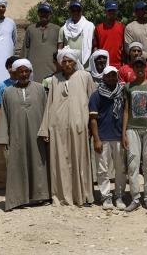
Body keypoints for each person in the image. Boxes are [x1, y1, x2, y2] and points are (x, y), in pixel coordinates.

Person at [37, 48, 96, 205]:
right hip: (58, 127)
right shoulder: (55, 80)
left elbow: (93, 102)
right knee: (60, 162)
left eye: (70, 61)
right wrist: (45, 128)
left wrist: (93, 126)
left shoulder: (85, 76)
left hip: (79, 126)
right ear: (60, 64)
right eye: (64, 61)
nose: (67, 64)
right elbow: (49, 104)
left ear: (75, 62)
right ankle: (62, 196)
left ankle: (82, 196)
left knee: (80, 160)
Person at [0, 59, 49, 211]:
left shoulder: (39, 89)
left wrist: (46, 131)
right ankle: (18, 198)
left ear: (30, 72)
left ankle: (40, 196)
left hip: (37, 136)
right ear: (15, 74)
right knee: (17, 165)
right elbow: (3, 115)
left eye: (26, 71)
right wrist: (2, 138)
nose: (24, 74)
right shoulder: (7, 92)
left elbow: (47, 112)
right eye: (21, 71)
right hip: (17, 136)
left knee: (38, 164)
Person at [89, 65, 127, 209]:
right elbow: (93, 119)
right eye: (108, 75)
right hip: (103, 137)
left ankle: (119, 196)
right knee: (102, 169)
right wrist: (96, 139)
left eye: (113, 75)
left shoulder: (122, 93)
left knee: (120, 169)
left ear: (117, 76)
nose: (111, 78)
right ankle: (106, 197)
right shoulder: (96, 95)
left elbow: (125, 113)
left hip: (118, 136)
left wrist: (124, 135)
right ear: (103, 77)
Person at [121, 56, 147, 211]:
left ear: (146, 68)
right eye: (137, 66)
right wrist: (124, 132)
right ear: (133, 69)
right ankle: (135, 198)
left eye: (142, 66)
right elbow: (126, 110)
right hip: (132, 128)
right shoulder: (128, 87)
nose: (140, 69)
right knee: (133, 164)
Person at [21, 3, 59, 82]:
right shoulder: (31, 29)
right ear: (38, 13)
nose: (44, 14)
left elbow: (61, 51)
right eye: (41, 12)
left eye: (46, 12)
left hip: (52, 73)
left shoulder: (57, 29)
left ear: (50, 14)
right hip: (33, 73)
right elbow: (25, 50)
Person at [58, 0, 95, 68]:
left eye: (78, 10)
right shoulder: (63, 29)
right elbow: (60, 50)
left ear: (81, 11)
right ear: (70, 12)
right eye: (73, 10)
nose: (75, 12)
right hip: (69, 67)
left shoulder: (89, 26)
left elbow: (94, 46)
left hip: (86, 66)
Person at [93, 0, 124, 69]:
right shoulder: (98, 28)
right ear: (105, 12)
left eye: (114, 11)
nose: (112, 13)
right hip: (103, 64)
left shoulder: (122, 27)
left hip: (118, 65)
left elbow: (124, 47)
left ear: (116, 12)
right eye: (109, 11)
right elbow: (95, 47)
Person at [0, 55, 20, 129]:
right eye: (10, 66)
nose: (12, 69)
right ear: (7, 68)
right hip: (8, 120)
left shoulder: (26, 84)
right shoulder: (2, 85)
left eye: (14, 66)